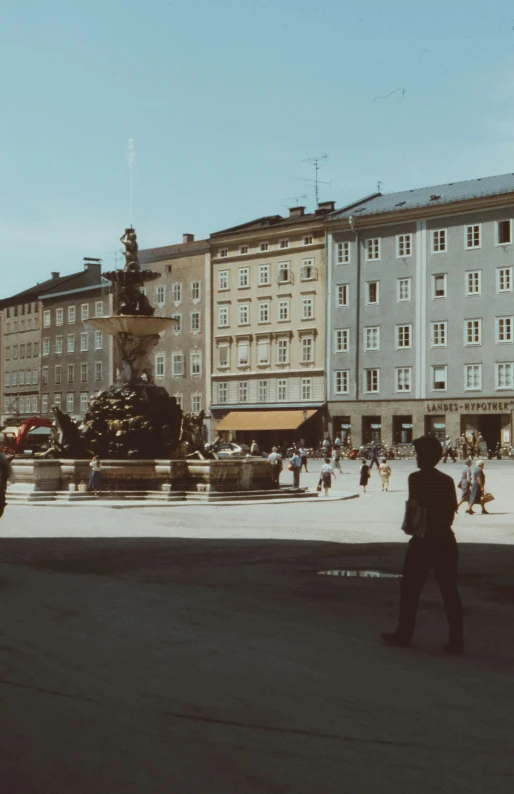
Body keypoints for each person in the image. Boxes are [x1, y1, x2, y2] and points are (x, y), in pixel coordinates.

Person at [381, 436, 464, 655]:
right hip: (446, 539)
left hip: (424, 541)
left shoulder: (415, 478)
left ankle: (404, 634)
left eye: (418, 454)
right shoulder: (447, 480)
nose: (416, 458)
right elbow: (451, 510)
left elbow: (414, 506)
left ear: (424, 456)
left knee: (410, 589)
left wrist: (409, 526)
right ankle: (457, 640)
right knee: (449, 591)